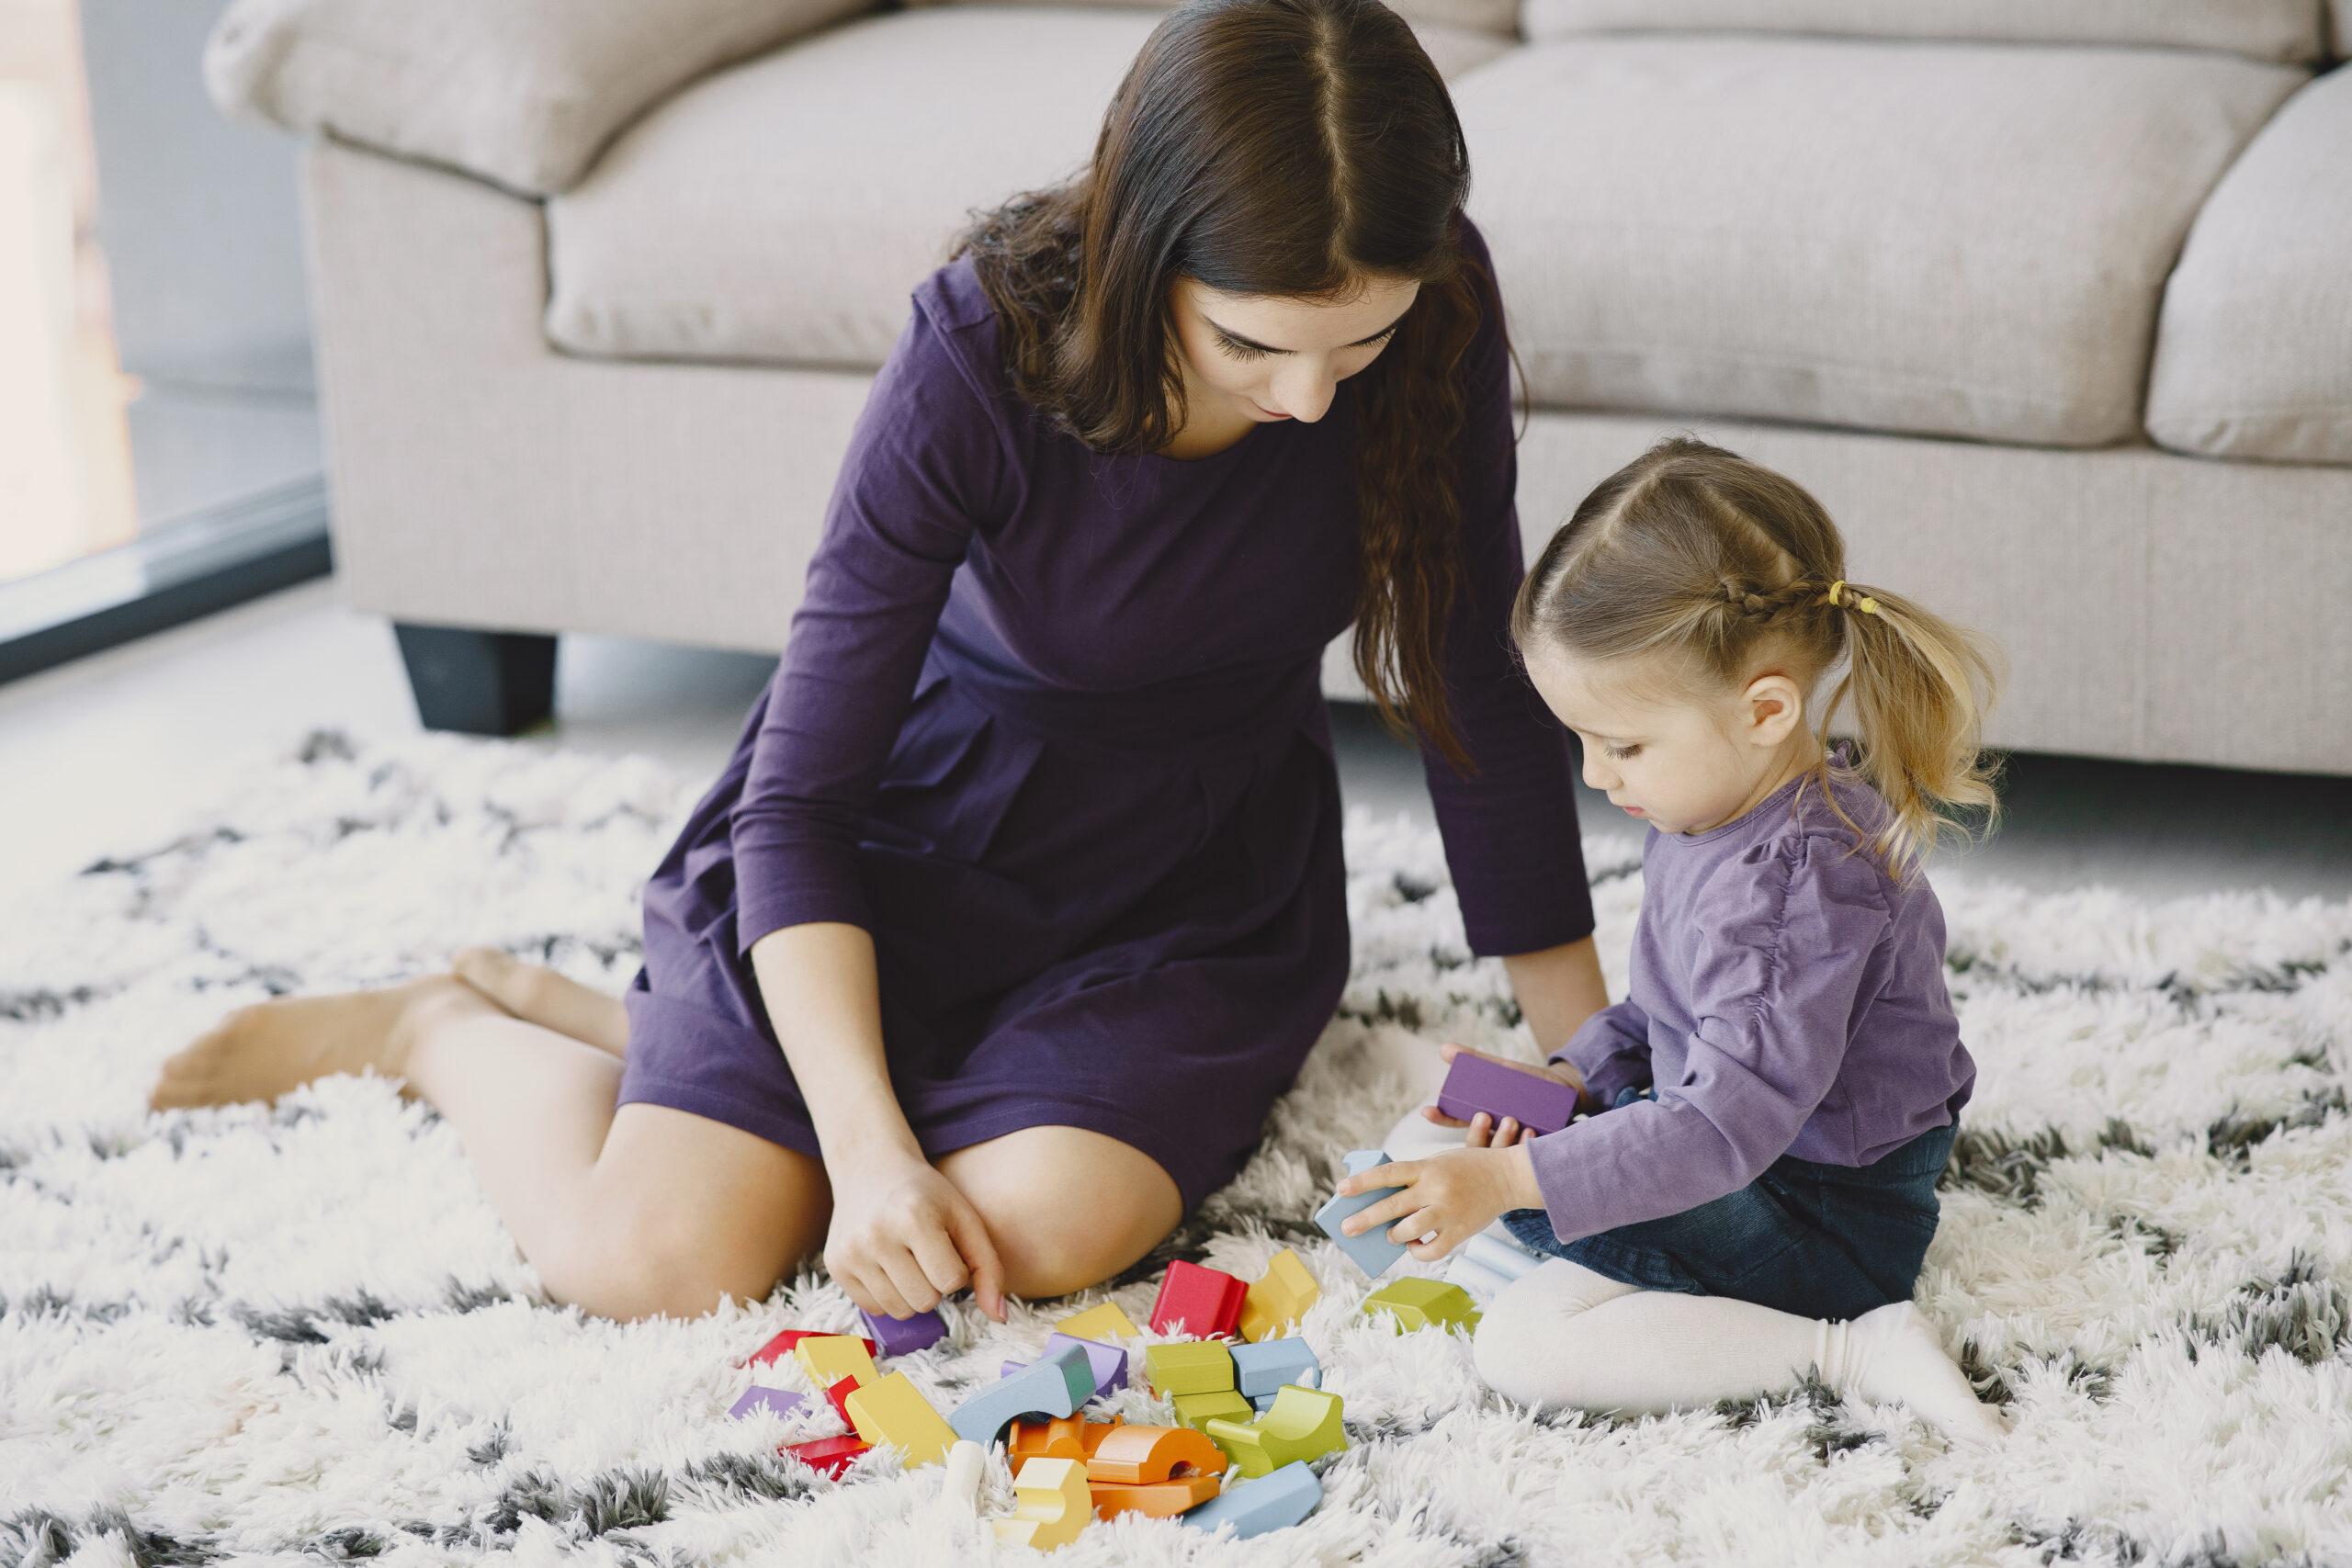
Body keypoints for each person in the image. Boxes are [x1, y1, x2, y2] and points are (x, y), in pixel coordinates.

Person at [150, 0, 1608, 1324]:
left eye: (1354, 349)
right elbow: (797, 801)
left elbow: (1476, 671)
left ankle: (682, 1053)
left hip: (1191, 874)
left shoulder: (1428, 304)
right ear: (1149, 251)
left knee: (1024, 1236)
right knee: (655, 1262)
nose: (1308, 399)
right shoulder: (980, 345)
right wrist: (864, 1156)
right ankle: (442, 1024)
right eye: (1252, 343)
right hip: (918, 820)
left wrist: (1592, 1055)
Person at [1336, 437, 2007, 1441]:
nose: (1598, 777)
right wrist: (1567, 1078)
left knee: (1524, 1344)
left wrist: (1516, 1182)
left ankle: (1855, 1346)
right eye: (1583, 743)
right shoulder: (1708, 810)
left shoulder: (1797, 887)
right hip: (1728, 1144)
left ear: (1765, 709)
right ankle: (1572, 1241)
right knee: (1418, 1148)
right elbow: (1665, 1015)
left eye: (1624, 746)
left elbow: (1720, 1130)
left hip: (1818, 1220)